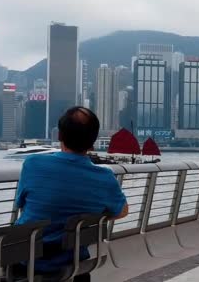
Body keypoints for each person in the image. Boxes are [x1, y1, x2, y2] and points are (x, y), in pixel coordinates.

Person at [14, 107, 128, 281]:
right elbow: (121, 211)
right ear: (93, 142)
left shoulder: (33, 164)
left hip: (26, 262)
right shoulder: (105, 177)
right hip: (73, 265)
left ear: (59, 135)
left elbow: (21, 204)